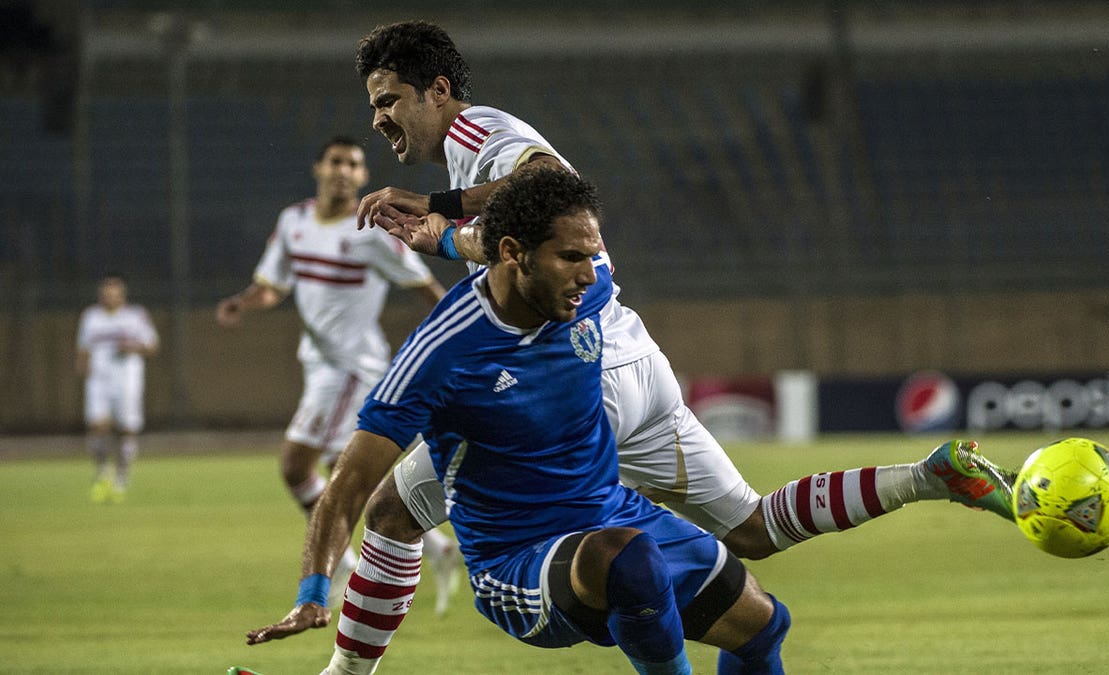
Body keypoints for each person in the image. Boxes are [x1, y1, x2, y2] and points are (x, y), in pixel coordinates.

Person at [272, 20, 1017, 674]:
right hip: (635, 359)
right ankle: (926, 477)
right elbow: (494, 240)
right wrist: (437, 232)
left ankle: (346, 670)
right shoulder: (486, 189)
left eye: (387, 100)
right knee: (752, 528)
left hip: (576, 369)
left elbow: (549, 183)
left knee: (394, 512)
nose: (378, 120)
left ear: (437, 91)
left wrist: (433, 206)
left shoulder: (477, 132)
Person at [248, 167, 792, 675]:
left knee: (764, 626)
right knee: (628, 560)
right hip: (516, 562)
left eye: (593, 255)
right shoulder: (443, 352)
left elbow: (548, 178)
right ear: (514, 255)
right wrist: (312, 594)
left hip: (611, 515)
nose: (589, 276)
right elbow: (349, 486)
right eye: (571, 257)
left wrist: (440, 229)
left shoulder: (582, 292)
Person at [215, 135, 456, 607]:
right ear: (319, 168)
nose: (344, 170)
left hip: (352, 369)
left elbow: (424, 285)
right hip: (318, 363)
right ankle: (435, 549)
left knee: (296, 465)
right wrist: (243, 303)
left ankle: (342, 567)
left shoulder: (373, 231)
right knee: (337, 471)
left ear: (363, 177)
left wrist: (465, 329)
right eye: (336, 161)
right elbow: (272, 285)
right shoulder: (294, 221)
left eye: (354, 164)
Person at [76, 275, 159, 504]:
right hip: (98, 380)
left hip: (127, 380)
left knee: (126, 430)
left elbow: (152, 345)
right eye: (105, 294)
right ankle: (103, 473)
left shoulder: (135, 316)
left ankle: (122, 479)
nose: (109, 298)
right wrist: (82, 371)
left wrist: (132, 347)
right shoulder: (91, 317)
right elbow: (83, 349)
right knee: (97, 426)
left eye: (114, 294)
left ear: (122, 296)